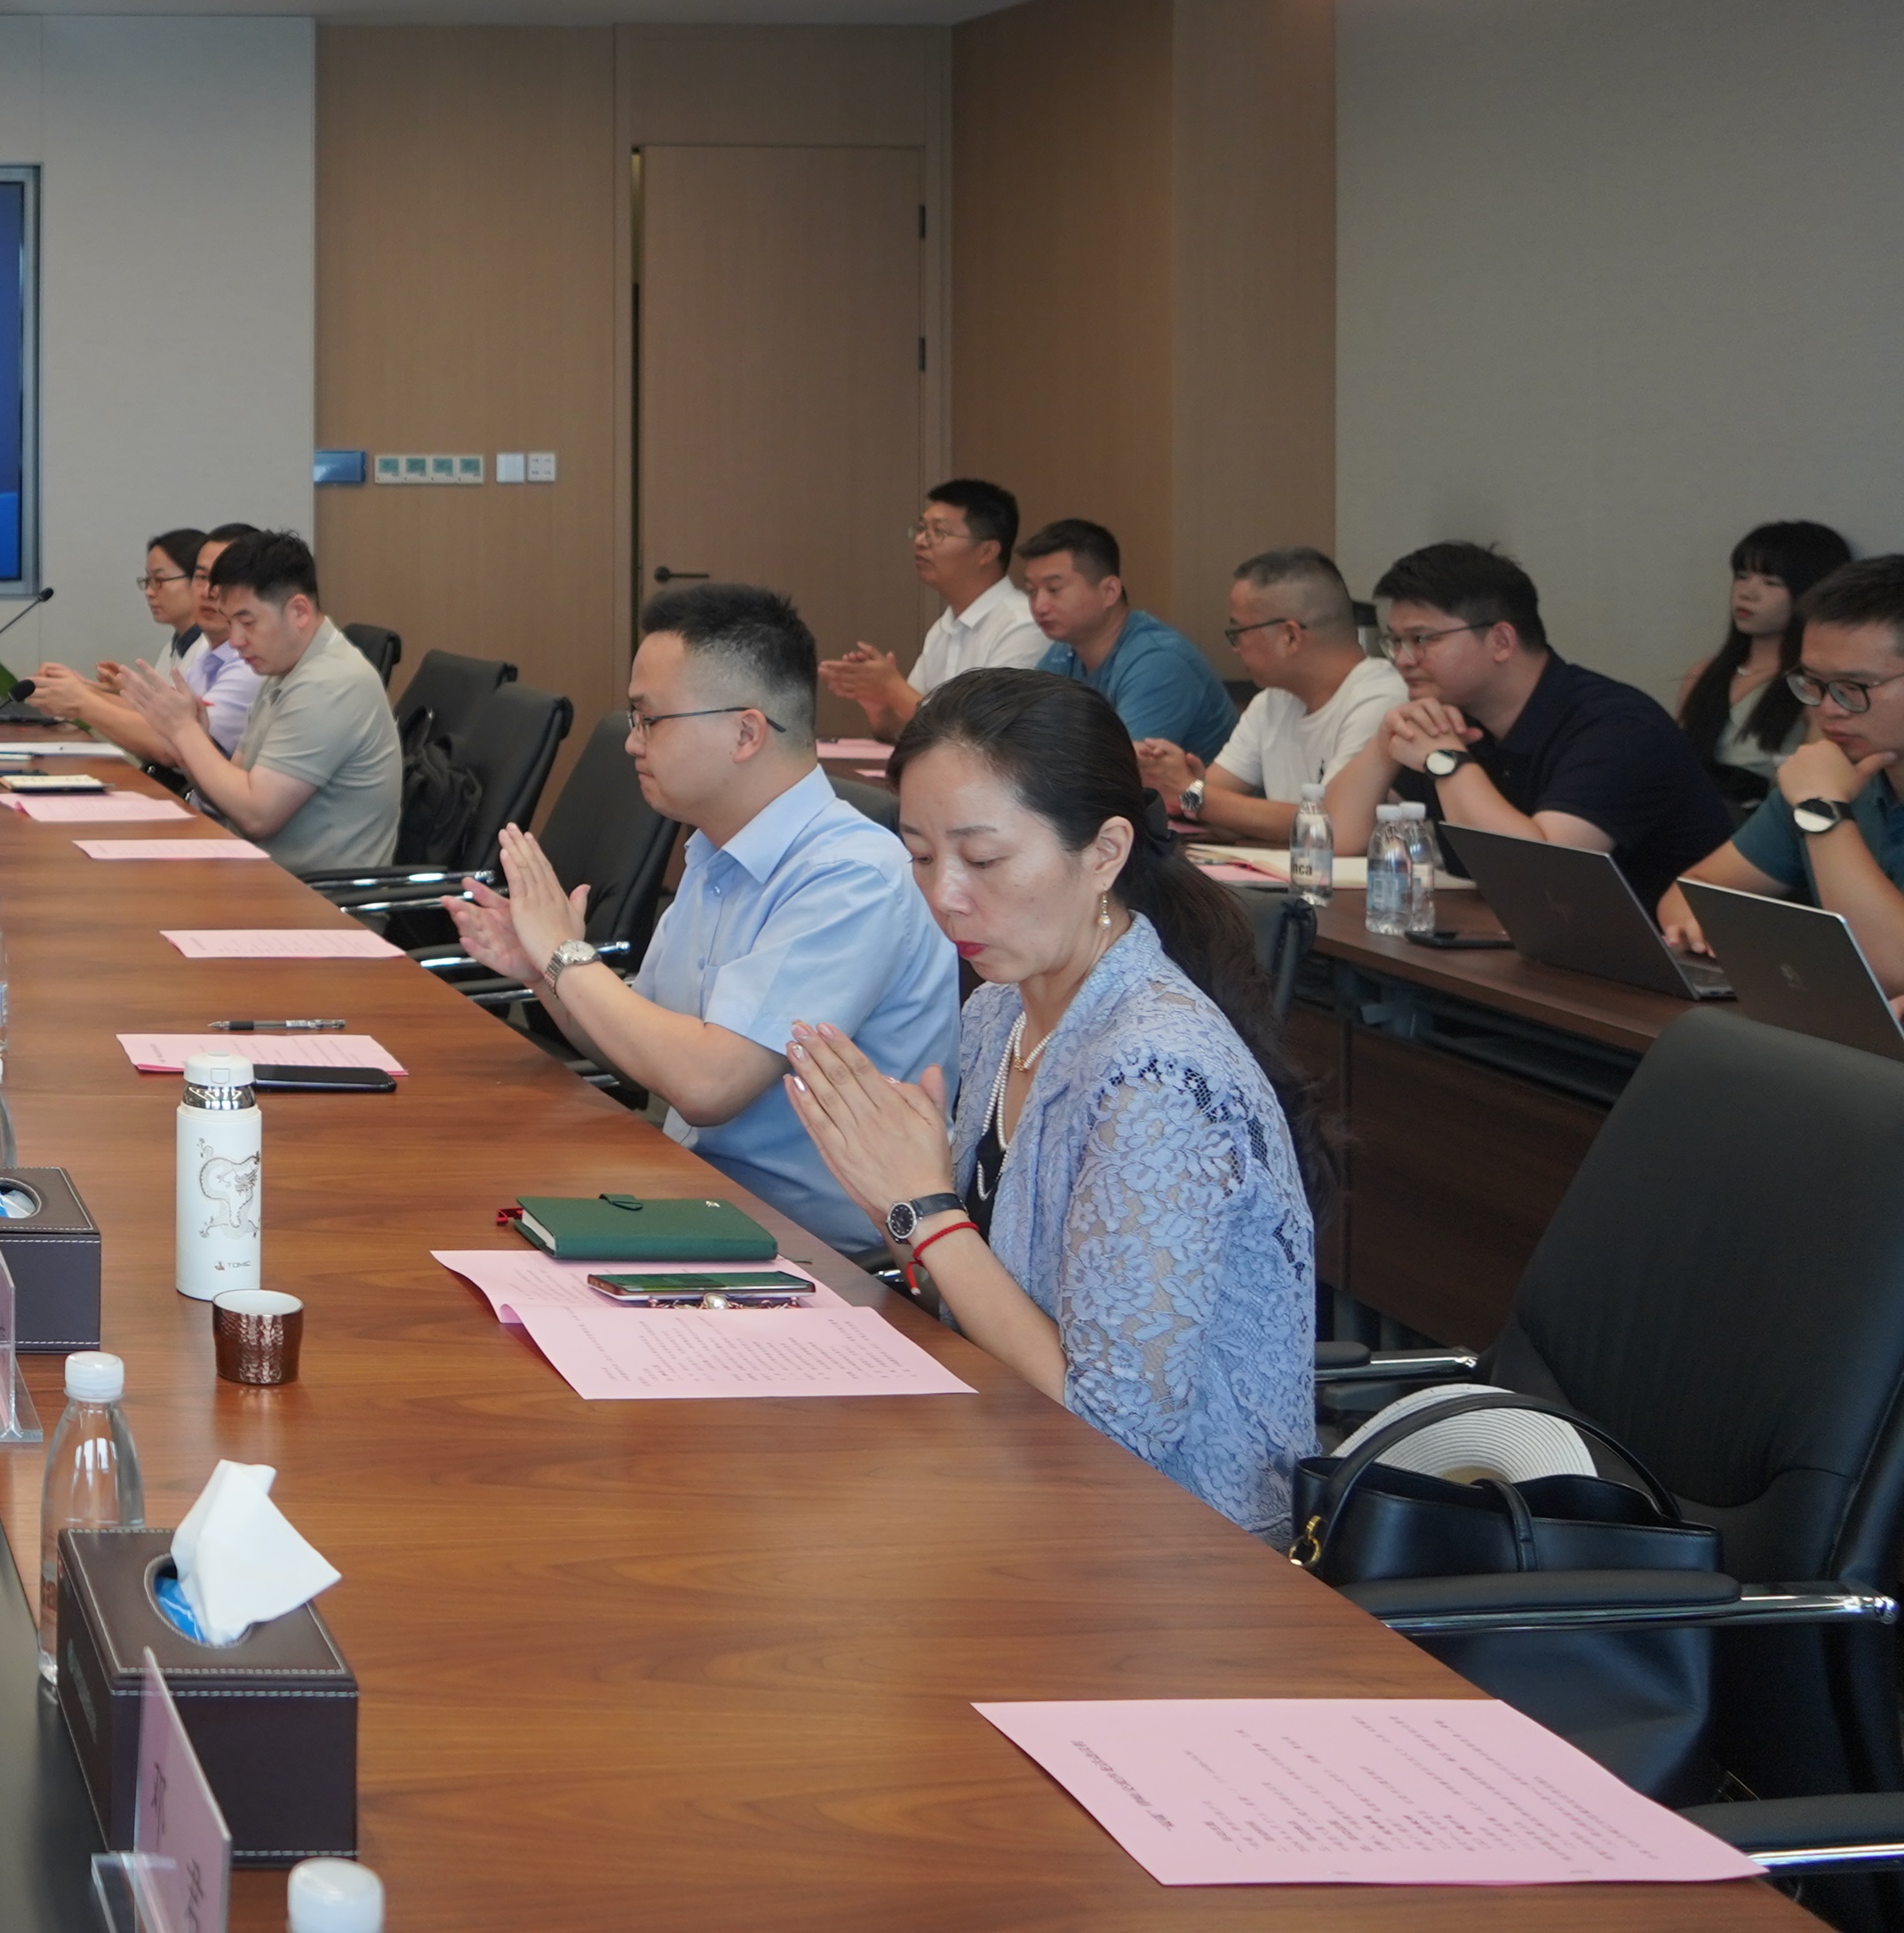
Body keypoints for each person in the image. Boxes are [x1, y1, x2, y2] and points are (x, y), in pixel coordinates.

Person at [781, 670, 1320, 1536]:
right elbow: (987, 1298)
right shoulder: (1002, 1007)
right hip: (1011, 1473)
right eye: (920, 854)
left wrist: (927, 1215)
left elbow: (1115, 1433)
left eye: (983, 859)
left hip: (1169, 1546)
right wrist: (897, 1208)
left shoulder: (1153, 1074)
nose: (943, 894)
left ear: (1104, 852)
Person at [452, 584, 955, 1255]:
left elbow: (706, 1085)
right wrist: (541, 969)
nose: (633, 743)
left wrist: (566, 955)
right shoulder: (717, 849)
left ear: (746, 732)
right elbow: (644, 1050)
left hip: (810, 1254)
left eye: (649, 719)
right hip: (700, 1199)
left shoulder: (851, 877)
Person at [1324, 542, 1726, 904]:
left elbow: (1539, 876)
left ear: (1501, 641)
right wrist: (1386, 743)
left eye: (1422, 640)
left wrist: (1446, 761)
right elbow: (1336, 840)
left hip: (1655, 955)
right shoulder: (1451, 716)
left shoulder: (1619, 728)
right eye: (1395, 641)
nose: (1403, 659)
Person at [84, 529, 402, 877]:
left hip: (311, 895)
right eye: (230, 622)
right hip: (256, 871)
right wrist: (192, 740)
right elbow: (230, 793)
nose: (235, 640)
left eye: (247, 622)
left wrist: (183, 731)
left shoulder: (330, 683)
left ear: (299, 611)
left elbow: (256, 817)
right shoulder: (283, 667)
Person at [1663, 554, 1904, 990]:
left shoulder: (1820, 788)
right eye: (1813, 683)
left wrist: (1824, 810)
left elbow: (1894, 967)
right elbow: (1691, 891)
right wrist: (1702, 929)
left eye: (1853, 688)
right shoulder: (1831, 773)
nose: (1827, 708)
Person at [1129, 547, 1404, 844]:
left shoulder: (1380, 699)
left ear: (1290, 636)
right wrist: (1173, 780)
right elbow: (1208, 801)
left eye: (1238, 632)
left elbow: (1329, 824)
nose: (1235, 648)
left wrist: (1193, 793)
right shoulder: (1272, 701)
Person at [821, 479, 1048, 740]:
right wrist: (879, 704)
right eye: (921, 529)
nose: (920, 541)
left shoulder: (1023, 625)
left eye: (939, 532)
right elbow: (903, 730)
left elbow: (981, 737)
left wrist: (892, 687)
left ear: (986, 552)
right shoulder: (944, 628)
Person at [1018, 518, 1235, 760]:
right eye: (1032, 591)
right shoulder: (1062, 652)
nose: (1039, 606)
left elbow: (1119, 769)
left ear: (1110, 591)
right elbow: (1026, 739)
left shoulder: (1158, 663)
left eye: (1054, 590)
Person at [1674, 519, 1852, 808]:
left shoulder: (1815, 689)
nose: (1747, 592)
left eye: (1771, 583)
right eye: (1742, 576)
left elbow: (1817, 788)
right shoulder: (1703, 674)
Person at [35, 525, 257, 755]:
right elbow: (164, 722)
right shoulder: (205, 653)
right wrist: (84, 692)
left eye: (160, 580)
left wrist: (82, 701)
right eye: (202, 577)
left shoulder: (247, 664)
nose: (209, 591)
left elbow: (175, 747)